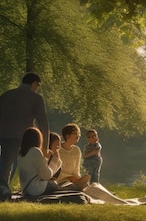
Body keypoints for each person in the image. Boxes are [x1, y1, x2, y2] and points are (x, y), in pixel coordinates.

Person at [0, 72, 50, 201]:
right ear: (34, 83)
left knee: (5, 163)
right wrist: (45, 146)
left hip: (3, 135)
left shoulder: (6, 95)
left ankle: (4, 189)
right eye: (38, 85)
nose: (37, 88)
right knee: (21, 164)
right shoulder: (35, 98)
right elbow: (43, 123)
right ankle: (4, 191)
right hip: (23, 137)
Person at [16, 127, 66, 196]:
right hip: (36, 189)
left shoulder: (20, 153)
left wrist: (45, 158)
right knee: (54, 183)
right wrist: (55, 159)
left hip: (25, 189)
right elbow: (47, 175)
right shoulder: (35, 151)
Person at [57, 123, 90, 189]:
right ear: (67, 135)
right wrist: (69, 177)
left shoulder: (76, 150)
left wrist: (79, 179)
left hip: (72, 180)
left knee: (88, 184)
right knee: (73, 187)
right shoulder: (57, 149)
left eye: (79, 133)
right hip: (59, 180)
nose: (78, 135)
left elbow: (76, 171)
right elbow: (55, 170)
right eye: (76, 133)